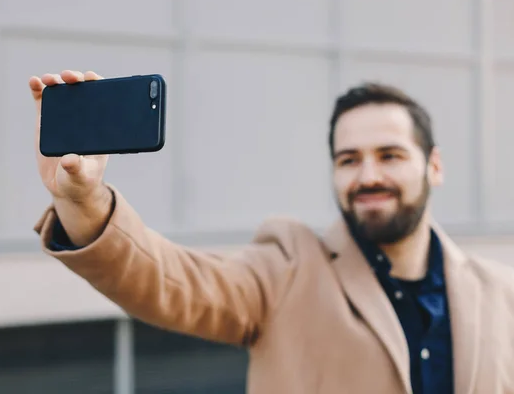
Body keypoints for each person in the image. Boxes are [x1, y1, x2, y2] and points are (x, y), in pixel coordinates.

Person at [30, 70, 514, 394]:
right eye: (349, 160)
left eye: (390, 155)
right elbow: (170, 280)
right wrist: (84, 202)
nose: (368, 176)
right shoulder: (287, 266)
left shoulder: (501, 293)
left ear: (434, 166)